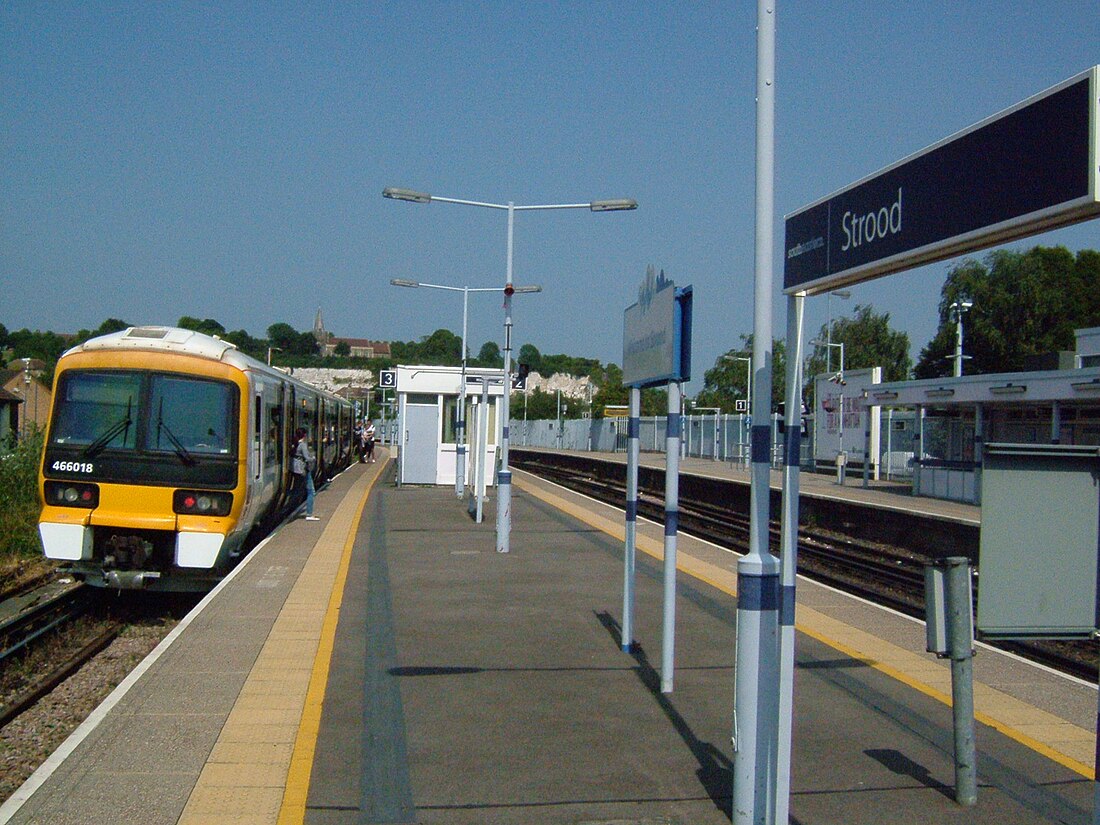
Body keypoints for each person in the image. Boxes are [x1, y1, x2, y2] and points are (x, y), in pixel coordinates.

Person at [292, 427, 320, 521]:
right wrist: (313, 458)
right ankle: (309, 513)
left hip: (296, 469)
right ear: (304, 435)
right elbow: (307, 458)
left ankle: (291, 507)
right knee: (311, 491)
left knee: (297, 489)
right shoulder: (303, 445)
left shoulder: (295, 444)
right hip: (303, 469)